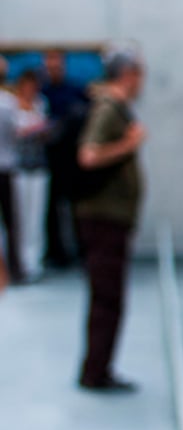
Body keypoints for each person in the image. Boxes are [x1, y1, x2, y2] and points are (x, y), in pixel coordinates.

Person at [76, 46, 146, 393]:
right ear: (128, 73)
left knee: (108, 296)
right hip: (104, 217)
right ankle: (95, 371)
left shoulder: (114, 107)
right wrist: (129, 145)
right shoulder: (109, 108)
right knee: (106, 297)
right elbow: (89, 156)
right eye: (140, 72)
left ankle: (99, 368)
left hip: (110, 218)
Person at [41, 50, 90, 269]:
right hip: (49, 159)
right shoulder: (42, 92)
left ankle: (80, 251)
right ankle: (56, 253)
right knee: (51, 209)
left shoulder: (75, 91)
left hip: (73, 160)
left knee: (76, 208)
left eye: (57, 64)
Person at [13, 70, 51, 283]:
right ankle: (19, 261)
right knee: (19, 216)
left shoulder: (40, 104)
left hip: (38, 166)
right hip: (18, 167)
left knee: (36, 215)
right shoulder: (11, 106)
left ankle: (34, 260)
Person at [0, 57, 23, 285]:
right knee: (11, 223)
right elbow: (17, 131)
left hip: (6, 166)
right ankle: (14, 270)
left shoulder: (8, 101)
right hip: (6, 169)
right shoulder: (8, 102)